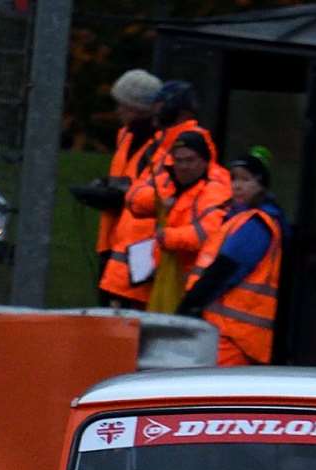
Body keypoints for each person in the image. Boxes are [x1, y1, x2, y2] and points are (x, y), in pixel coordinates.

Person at [97, 80, 227, 309]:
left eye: (161, 105)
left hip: (152, 269)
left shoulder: (184, 149)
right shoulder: (161, 145)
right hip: (134, 265)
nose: (155, 110)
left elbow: (159, 198)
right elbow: (136, 197)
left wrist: (160, 216)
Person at [177, 147, 289, 366]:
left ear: (261, 185)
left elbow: (225, 269)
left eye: (246, 180)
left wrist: (191, 304)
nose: (237, 186)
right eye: (234, 179)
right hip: (231, 331)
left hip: (233, 334)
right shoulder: (247, 220)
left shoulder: (255, 224)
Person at [68, 69, 161, 297]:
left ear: (139, 107)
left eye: (124, 104)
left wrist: (116, 194)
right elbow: (125, 176)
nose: (118, 110)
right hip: (111, 237)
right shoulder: (125, 135)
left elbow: (149, 190)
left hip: (138, 243)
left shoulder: (161, 143)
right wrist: (104, 184)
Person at [124, 130, 230, 309]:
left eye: (190, 160)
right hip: (161, 278)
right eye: (179, 160)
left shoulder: (215, 190)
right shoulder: (168, 181)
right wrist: (159, 201)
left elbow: (208, 232)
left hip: (190, 285)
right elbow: (132, 199)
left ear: (204, 161)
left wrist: (168, 237)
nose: (183, 166)